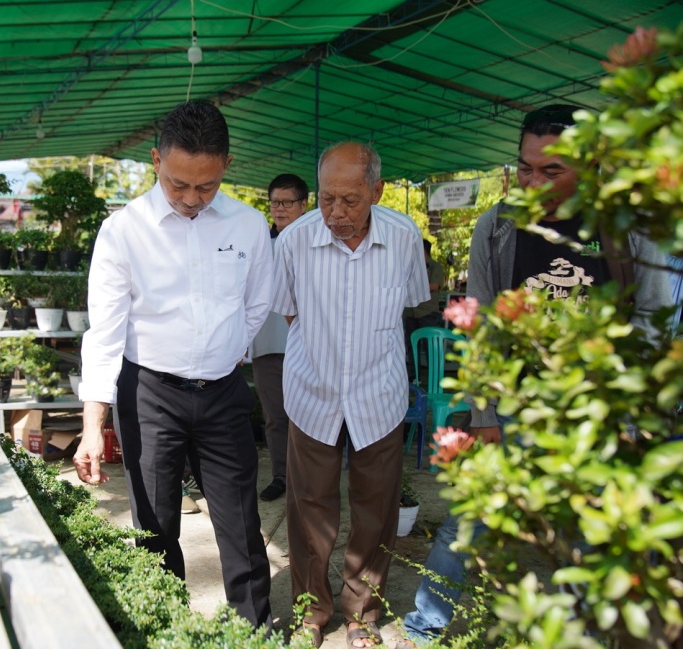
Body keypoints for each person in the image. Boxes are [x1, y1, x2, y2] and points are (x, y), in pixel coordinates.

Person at [396, 103, 672, 648]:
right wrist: (485, 412)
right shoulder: (498, 226)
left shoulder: (630, 226)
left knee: (588, 535)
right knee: (467, 520)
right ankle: (424, 628)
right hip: (517, 404)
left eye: (553, 171)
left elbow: (654, 320)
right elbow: (481, 326)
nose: (533, 182)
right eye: (525, 167)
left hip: (598, 412)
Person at [73, 100, 275, 628]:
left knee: (241, 526)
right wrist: (93, 425)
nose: (191, 199)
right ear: (156, 160)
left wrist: (224, 352)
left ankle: (252, 633)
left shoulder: (250, 227)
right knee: (154, 527)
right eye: (179, 184)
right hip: (148, 396)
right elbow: (105, 333)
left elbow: (256, 306)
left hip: (224, 393)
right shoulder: (123, 231)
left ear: (226, 166)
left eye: (205, 187)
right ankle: (163, 630)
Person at [271, 141, 428, 648]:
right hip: (312, 392)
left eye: (351, 201)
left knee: (375, 508)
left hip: (378, 394)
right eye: (326, 199)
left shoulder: (404, 238)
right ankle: (310, 613)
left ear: (377, 191)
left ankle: (362, 614)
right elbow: (290, 312)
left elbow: (407, 305)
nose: (336, 212)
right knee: (309, 509)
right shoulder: (294, 241)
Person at [250, 172, 309, 501]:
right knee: (275, 416)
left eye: (288, 202)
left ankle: (307, 478)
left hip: (309, 345)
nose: (280, 208)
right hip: (266, 343)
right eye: (275, 202)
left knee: (310, 416)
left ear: (304, 204)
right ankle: (281, 476)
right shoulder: (260, 244)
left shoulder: (316, 241)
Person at [402, 238, 445, 380]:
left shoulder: (435, 266)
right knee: (411, 345)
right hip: (410, 311)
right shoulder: (411, 265)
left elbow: (434, 286)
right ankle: (414, 377)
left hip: (427, 312)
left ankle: (434, 378)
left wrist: (413, 285)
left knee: (429, 346)